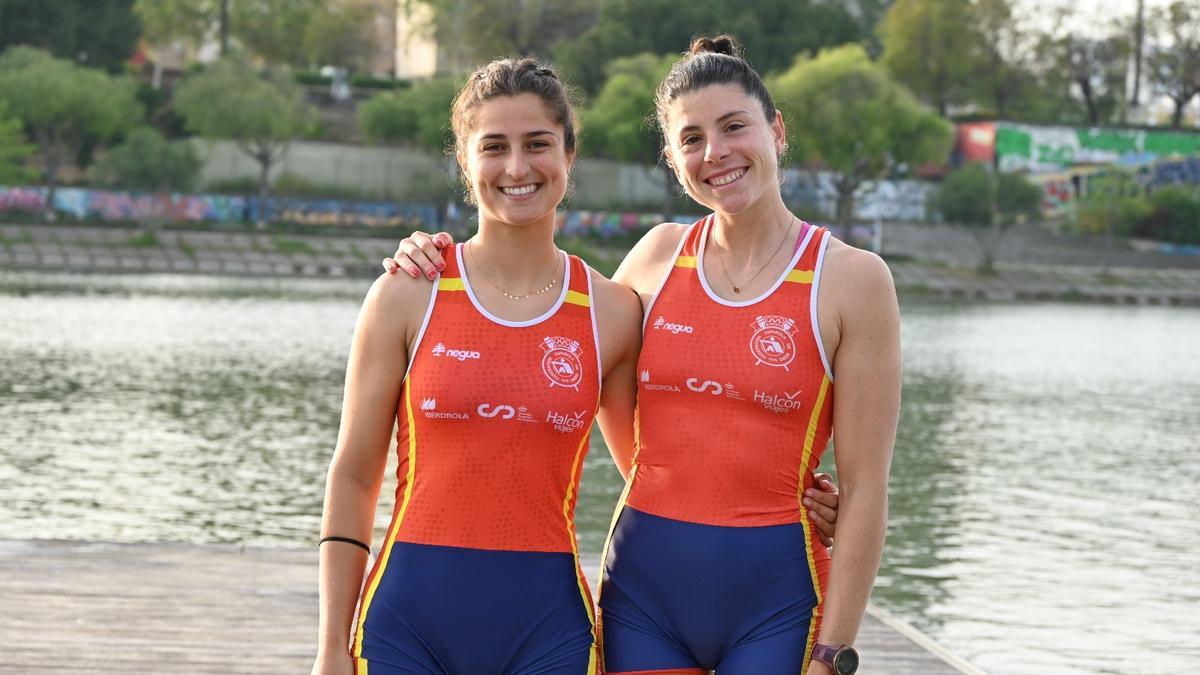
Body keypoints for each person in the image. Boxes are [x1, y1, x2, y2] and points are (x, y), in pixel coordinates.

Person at [385, 35, 898, 675]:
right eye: (691, 139)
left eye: (735, 127)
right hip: (645, 597)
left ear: (776, 129)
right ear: (672, 156)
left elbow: (868, 486)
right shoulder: (654, 262)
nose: (716, 153)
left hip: (780, 599)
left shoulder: (853, 280)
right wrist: (429, 256)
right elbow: (548, 337)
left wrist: (833, 652)